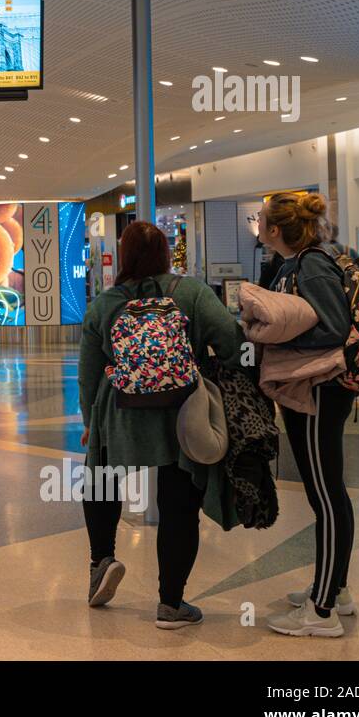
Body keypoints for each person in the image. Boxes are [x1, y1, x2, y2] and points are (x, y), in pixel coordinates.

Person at [78, 221, 246, 629]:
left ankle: (102, 559)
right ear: (166, 254)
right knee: (179, 505)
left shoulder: (105, 302)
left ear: (124, 256)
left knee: (100, 476)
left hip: (119, 409)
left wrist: (90, 423)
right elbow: (231, 340)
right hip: (181, 411)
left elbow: (86, 372)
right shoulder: (190, 292)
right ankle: (171, 604)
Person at [256, 192, 357, 637]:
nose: (256, 224)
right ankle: (335, 589)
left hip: (320, 388)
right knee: (322, 493)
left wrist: (279, 340)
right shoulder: (292, 264)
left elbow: (334, 327)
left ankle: (322, 613)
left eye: (260, 219)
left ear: (276, 229)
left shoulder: (312, 264)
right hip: (307, 388)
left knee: (327, 494)